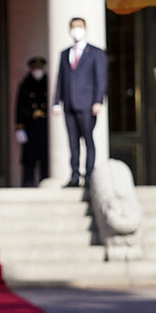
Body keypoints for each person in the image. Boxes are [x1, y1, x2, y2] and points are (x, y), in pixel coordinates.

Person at [52, 17, 106, 187]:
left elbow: (101, 79)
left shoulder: (96, 52)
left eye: (79, 27)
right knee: (72, 141)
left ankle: (89, 175)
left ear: (85, 28)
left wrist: (98, 101)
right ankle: (75, 175)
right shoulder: (64, 53)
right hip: (69, 104)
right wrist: (56, 102)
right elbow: (60, 79)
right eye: (73, 27)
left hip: (87, 104)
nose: (76, 30)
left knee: (88, 140)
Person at [14, 56, 49, 187]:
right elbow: (19, 107)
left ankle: (45, 182)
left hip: (45, 126)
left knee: (45, 156)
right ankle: (27, 183)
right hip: (29, 125)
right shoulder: (25, 84)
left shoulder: (48, 82)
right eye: (35, 68)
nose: (37, 70)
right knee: (29, 158)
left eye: (40, 68)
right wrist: (19, 127)